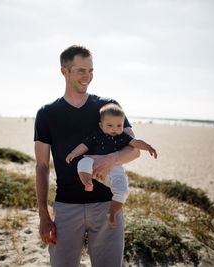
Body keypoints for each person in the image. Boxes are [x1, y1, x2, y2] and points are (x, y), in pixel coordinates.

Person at [34, 45, 140, 267]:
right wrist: (44, 215)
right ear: (64, 71)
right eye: (81, 70)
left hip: (105, 205)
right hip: (66, 206)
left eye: (91, 70)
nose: (87, 76)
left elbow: (134, 149)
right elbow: (42, 166)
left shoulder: (107, 107)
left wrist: (110, 159)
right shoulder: (47, 114)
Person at [65, 103, 157, 228]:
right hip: (94, 166)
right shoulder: (96, 135)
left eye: (119, 125)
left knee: (122, 188)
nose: (114, 129)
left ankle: (113, 211)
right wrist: (73, 153)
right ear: (101, 125)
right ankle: (87, 182)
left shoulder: (122, 136)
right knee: (83, 162)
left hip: (115, 169)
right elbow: (84, 146)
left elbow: (136, 142)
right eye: (110, 125)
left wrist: (148, 147)